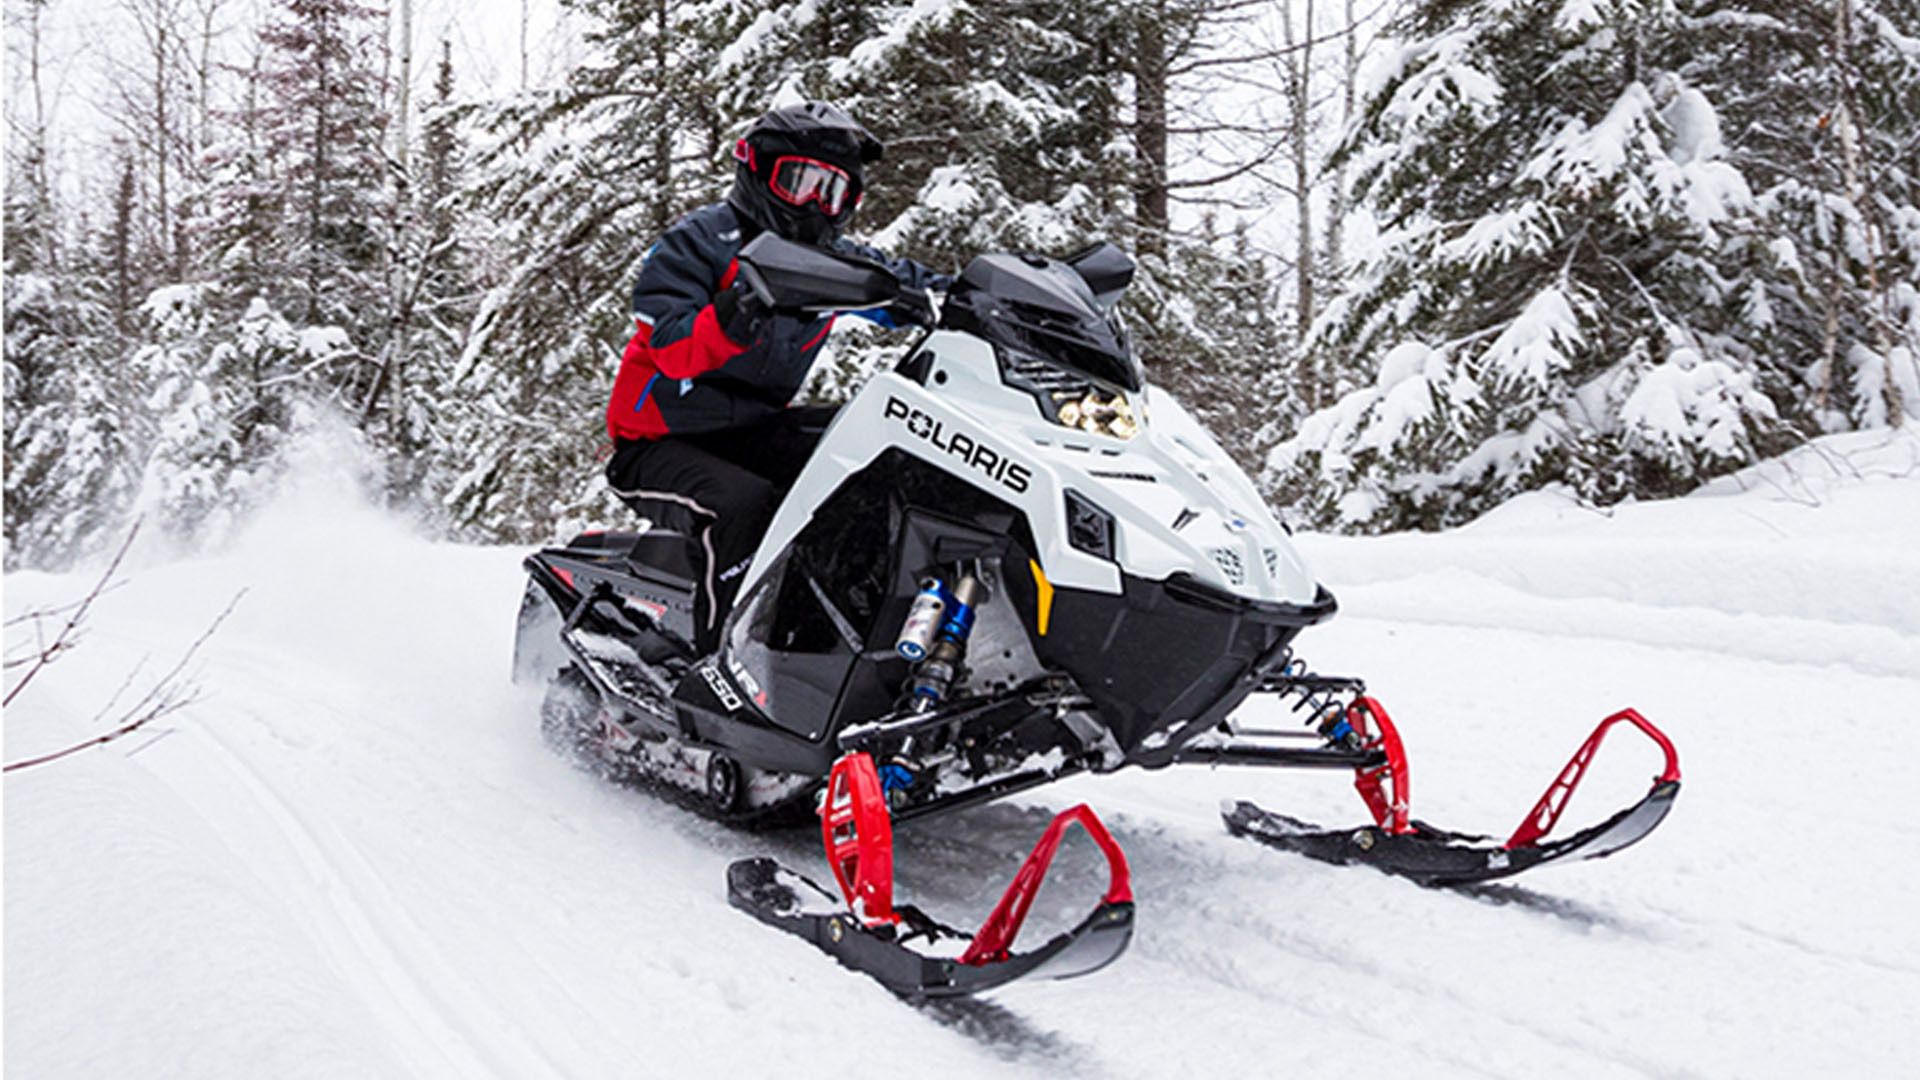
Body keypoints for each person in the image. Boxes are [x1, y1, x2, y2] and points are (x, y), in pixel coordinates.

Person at [604, 101, 948, 648]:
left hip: (756, 430)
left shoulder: (830, 260)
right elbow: (669, 344)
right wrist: (736, 313)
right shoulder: (698, 242)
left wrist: (976, 300)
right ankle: (718, 661)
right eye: (800, 182)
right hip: (660, 441)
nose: (815, 203)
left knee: (877, 454)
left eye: (831, 191)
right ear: (758, 171)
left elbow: (903, 285)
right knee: (743, 506)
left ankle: (836, 641)